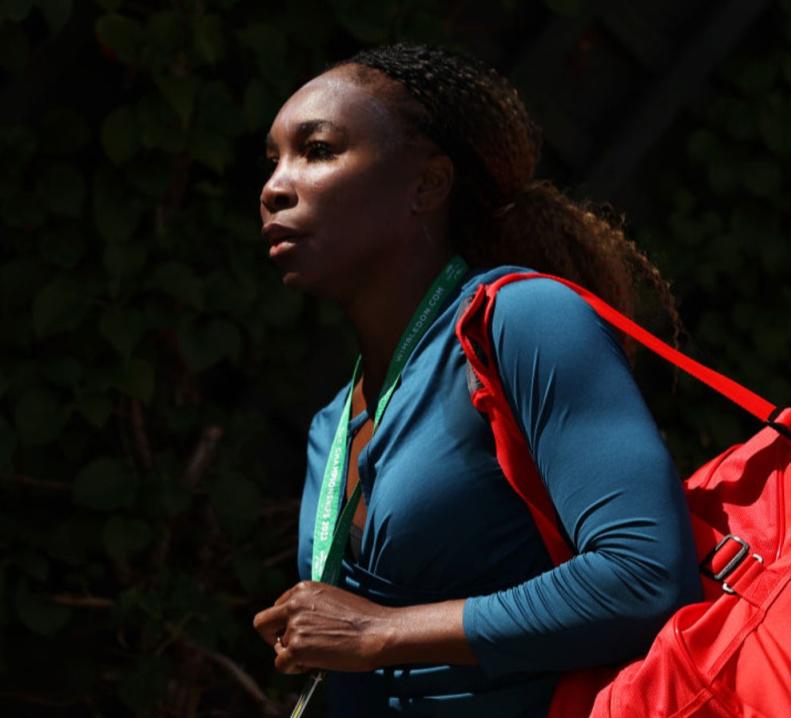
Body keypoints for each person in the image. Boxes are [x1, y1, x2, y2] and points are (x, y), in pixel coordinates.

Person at [252, 42, 702, 718]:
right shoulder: (331, 425)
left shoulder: (521, 320)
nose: (274, 187)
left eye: (317, 151)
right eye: (273, 161)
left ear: (427, 186)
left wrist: (378, 633)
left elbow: (644, 575)